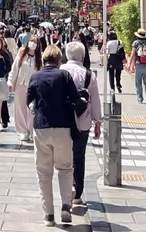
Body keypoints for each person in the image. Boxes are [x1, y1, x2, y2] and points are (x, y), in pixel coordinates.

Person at [27, 44, 81, 227]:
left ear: (43, 60)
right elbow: (76, 99)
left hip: (41, 127)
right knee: (65, 168)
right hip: (63, 127)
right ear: (59, 61)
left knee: (43, 173)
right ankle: (66, 205)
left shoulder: (35, 76)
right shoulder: (64, 75)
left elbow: (29, 101)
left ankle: (49, 215)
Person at [62, 41, 102, 206]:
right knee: (79, 156)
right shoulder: (89, 74)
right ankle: (77, 193)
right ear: (83, 57)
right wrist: (97, 121)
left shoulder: (60, 71)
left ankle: (66, 191)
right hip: (83, 121)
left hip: (62, 121)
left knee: (63, 157)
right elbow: (96, 100)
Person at [8, 35, 41, 143]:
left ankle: (32, 130)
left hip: (33, 87)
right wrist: (10, 81)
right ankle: (23, 131)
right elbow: (15, 68)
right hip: (21, 84)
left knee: (32, 109)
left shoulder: (39, 58)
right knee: (20, 109)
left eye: (35, 42)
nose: (33, 44)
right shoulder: (22, 53)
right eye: (31, 41)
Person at [131, 29, 146, 104]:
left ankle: (140, 98)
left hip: (138, 64)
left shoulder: (136, 43)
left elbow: (132, 54)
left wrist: (129, 64)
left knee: (138, 83)